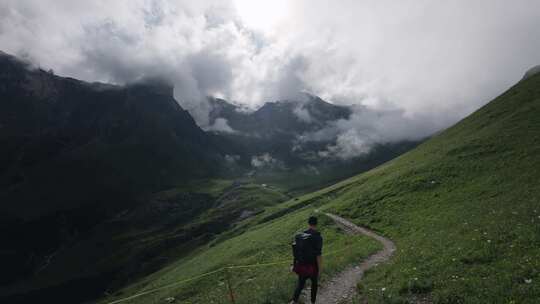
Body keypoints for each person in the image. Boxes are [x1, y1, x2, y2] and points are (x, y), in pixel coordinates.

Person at [290, 216, 323, 304]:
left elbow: (297, 251)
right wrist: (320, 269)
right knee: (314, 284)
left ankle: (294, 300)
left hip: (302, 265)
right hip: (313, 266)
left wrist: (294, 264)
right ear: (316, 224)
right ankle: (312, 302)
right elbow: (318, 255)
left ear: (308, 223)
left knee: (300, 284)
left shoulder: (301, 235)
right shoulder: (318, 237)